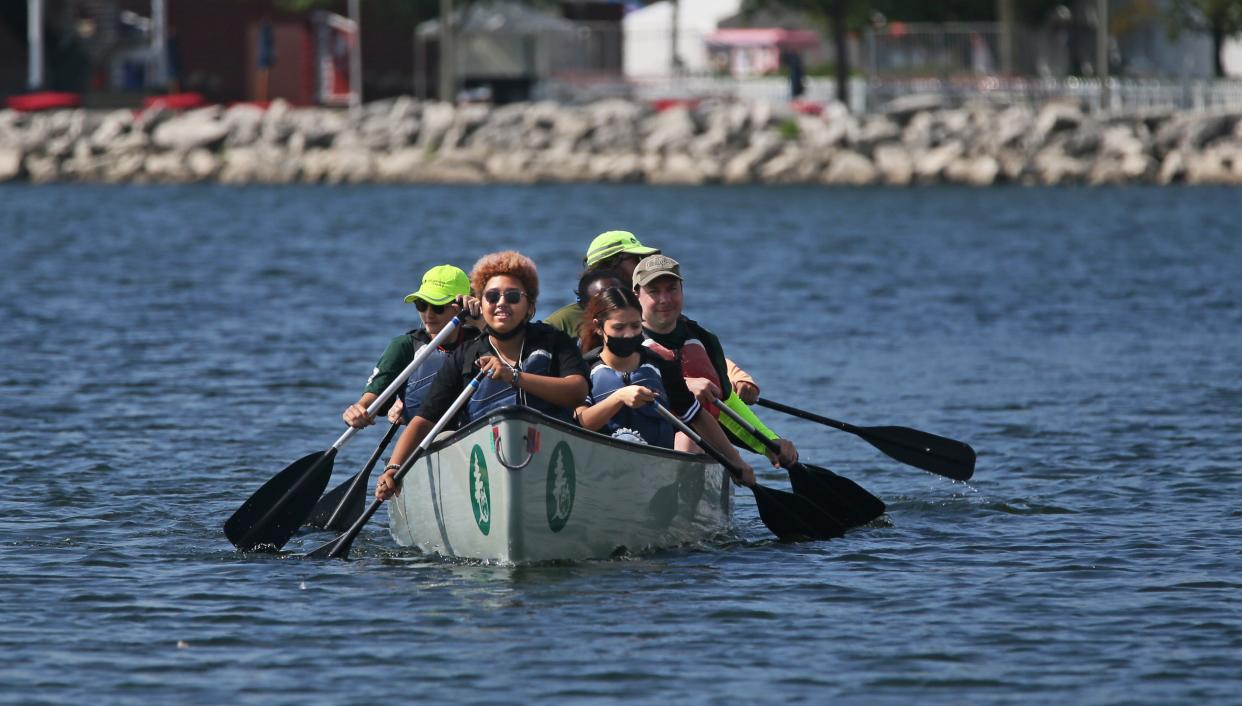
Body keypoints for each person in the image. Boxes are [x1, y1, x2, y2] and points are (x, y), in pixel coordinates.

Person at [377, 251, 590, 500]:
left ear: (530, 307)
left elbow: (577, 391)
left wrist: (514, 377)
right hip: (482, 466)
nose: (501, 303)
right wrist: (393, 467)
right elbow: (425, 419)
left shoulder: (554, 342)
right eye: (492, 296)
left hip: (549, 456)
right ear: (481, 303)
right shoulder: (466, 354)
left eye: (512, 297)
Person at [547, 230, 762, 404]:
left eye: (671, 289)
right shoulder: (562, 322)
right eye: (636, 259)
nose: (644, 264)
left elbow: (684, 351)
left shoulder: (656, 314)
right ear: (609, 266)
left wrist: (735, 375)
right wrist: (684, 384)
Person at [572, 288, 756, 486]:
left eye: (635, 326)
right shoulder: (584, 368)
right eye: (619, 328)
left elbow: (696, 415)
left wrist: (736, 461)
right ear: (599, 327)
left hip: (658, 476)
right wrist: (618, 398)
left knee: (688, 438)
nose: (628, 335)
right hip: (602, 475)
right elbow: (582, 421)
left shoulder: (660, 365)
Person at [632, 254, 798, 468]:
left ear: (682, 290)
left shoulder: (703, 339)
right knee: (687, 438)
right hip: (638, 443)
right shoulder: (623, 337)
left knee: (690, 437)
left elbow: (726, 404)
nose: (665, 299)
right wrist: (683, 386)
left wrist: (769, 443)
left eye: (672, 289)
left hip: (695, 443)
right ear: (636, 295)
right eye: (654, 291)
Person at [341, 265, 472, 429]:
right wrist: (356, 412)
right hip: (425, 440)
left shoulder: (483, 339)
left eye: (438, 307)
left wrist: (481, 320)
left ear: (459, 307)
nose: (428, 315)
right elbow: (371, 401)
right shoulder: (404, 347)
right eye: (422, 305)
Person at [544, 268, 624, 339]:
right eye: (602, 300)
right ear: (584, 305)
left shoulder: (633, 318)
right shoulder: (558, 325)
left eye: (620, 296)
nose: (614, 303)